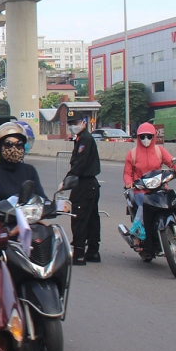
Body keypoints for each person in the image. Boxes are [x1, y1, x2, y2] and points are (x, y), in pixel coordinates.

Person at [124, 123, 176, 247]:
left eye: (149, 136)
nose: (146, 139)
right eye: (142, 136)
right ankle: (136, 234)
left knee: (174, 200)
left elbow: (171, 161)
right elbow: (127, 173)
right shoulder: (133, 154)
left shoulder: (159, 151)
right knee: (143, 207)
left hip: (159, 188)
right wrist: (129, 183)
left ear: (154, 137)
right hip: (141, 190)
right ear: (138, 137)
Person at [65, 111, 101, 265]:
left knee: (79, 217)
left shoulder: (85, 139)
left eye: (75, 123)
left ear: (83, 122)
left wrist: (67, 180)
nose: (73, 126)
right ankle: (93, 251)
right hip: (89, 185)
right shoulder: (80, 138)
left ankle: (79, 253)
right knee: (92, 218)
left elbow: (79, 163)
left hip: (84, 183)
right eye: (70, 124)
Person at [0, 122, 46, 203]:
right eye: (9, 144)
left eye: (19, 144)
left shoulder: (29, 170)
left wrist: (58, 205)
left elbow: (41, 198)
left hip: (27, 215)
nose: (14, 149)